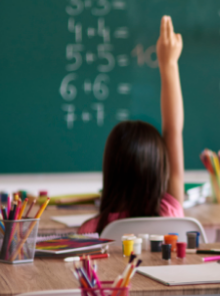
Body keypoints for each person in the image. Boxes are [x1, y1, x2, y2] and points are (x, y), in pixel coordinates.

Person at [79, 16, 185, 234]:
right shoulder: (170, 213)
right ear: (160, 168)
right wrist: (169, 64)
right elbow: (173, 131)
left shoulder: (93, 230)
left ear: (110, 170)